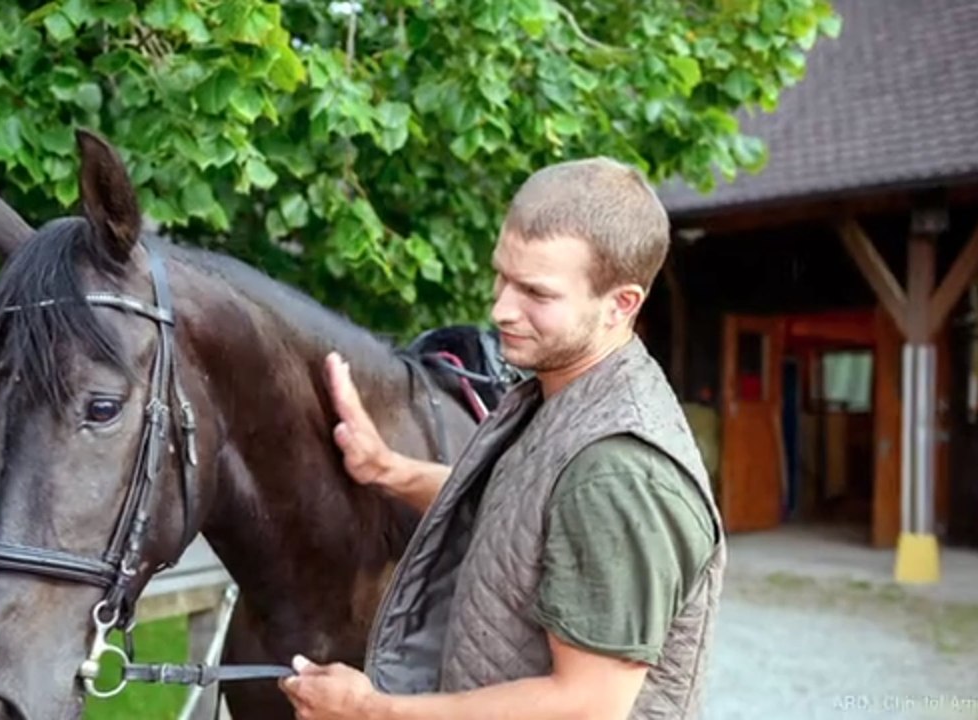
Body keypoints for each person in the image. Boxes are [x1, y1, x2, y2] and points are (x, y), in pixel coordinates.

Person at [279, 158, 726, 719]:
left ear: (622, 304)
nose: (501, 309)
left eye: (536, 292)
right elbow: (523, 516)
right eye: (502, 275)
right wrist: (388, 470)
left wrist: (372, 709)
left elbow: (584, 706)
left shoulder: (618, 473)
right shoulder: (562, 394)